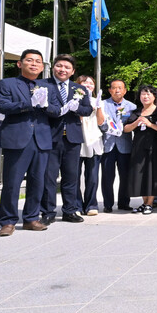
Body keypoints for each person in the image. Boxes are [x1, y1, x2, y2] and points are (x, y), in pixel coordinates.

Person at [0, 49, 58, 236]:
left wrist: (45, 105)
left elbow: (56, 110)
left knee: (38, 181)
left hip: (41, 139)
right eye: (29, 60)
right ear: (19, 63)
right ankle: (8, 221)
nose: (34, 64)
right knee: (12, 182)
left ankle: (31, 218)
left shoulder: (48, 86)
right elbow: (4, 106)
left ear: (42, 66)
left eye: (38, 61)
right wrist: (29, 103)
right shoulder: (7, 83)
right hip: (17, 139)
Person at [40, 54, 92, 225]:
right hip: (50, 137)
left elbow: (87, 109)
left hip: (72, 138)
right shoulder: (43, 85)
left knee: (71, 176)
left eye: (67, 67)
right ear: (53, 67)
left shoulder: (80, 89)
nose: (63, 70)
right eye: (59, 66)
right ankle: (48, 211)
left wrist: (77, 109)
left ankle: (70, 210)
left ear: (73, 71)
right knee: (49, 176)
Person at [124, 86, 157, 213]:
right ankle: (144, 202)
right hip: (138, 147)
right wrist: (136, 122)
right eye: (143, 94)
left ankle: (150, 203)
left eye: (148, 94)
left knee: (152, 174)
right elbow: (126, 129)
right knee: (139, 175)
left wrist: (150, 124)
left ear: (154, 97)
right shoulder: (137, 112)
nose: (145, 97)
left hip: (155, 147)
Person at [101, 79, 136, 213]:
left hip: (125, 145)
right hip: (108, 145)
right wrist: (109, 127)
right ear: (110, 90)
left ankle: (124, 202)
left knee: (125, 176)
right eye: (114, 88)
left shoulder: (131, 106)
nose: (117, 91)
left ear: (125, 90)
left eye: (120, 88)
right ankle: (108, 204)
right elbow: (100, 123)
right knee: (107, 177)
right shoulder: (103, 105)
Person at [75, 75, 105, 216]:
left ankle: (91, 204)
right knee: (74, 175)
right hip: (77, 139)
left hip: (93, 139)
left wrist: (98, 107)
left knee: (92, 175)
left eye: (91, 83)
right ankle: (76, 204)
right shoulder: (73, 99)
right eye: (84, 82)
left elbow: (100, 122)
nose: (88, 85)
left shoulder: (97, 101)